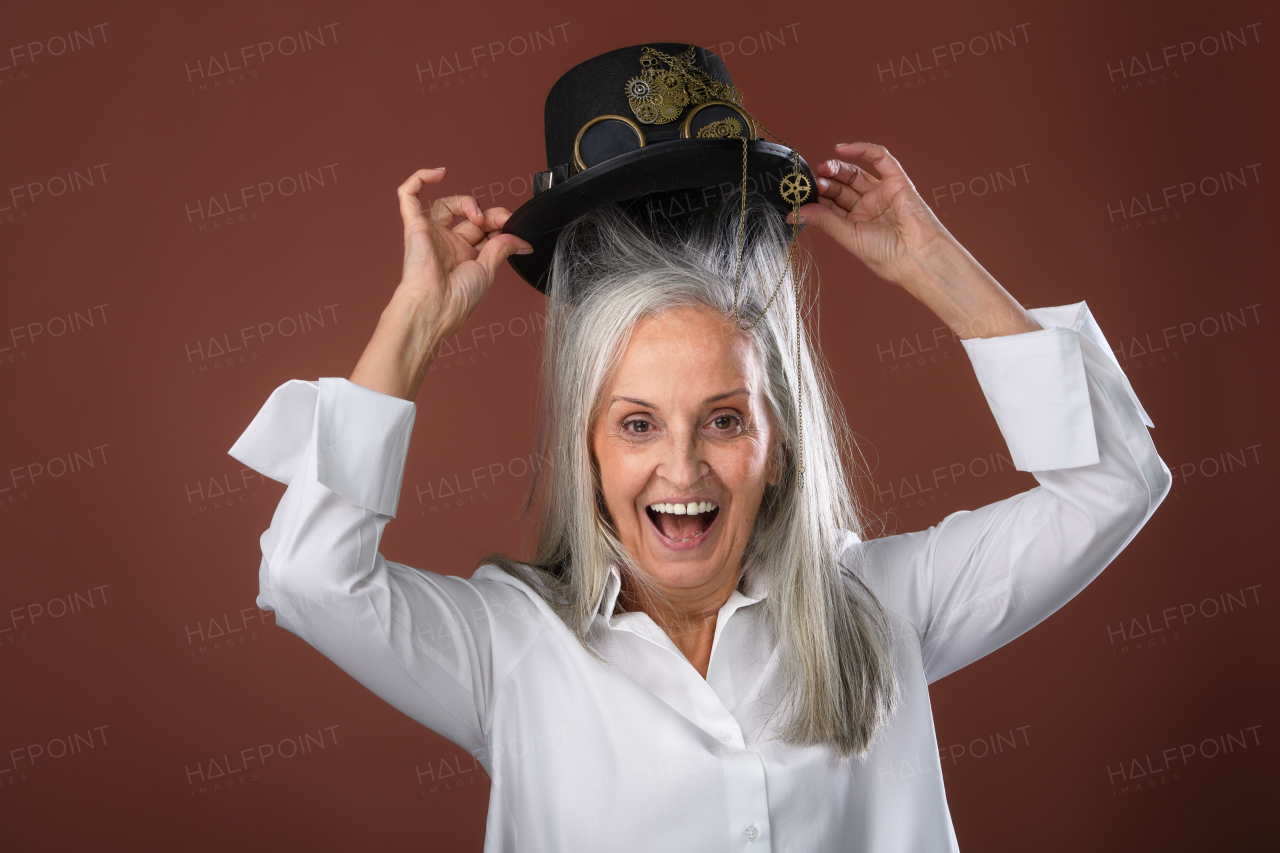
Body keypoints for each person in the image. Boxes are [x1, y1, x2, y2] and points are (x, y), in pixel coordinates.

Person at [230, 44, 1169, 853]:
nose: (682, 470)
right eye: (638, 424)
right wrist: (414, 327)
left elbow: (1115, 485)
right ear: (586, 446)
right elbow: (313, 577)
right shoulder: (508, 647)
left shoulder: (886, 609)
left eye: (724, 419)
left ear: (779, 444)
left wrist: (935, 266)